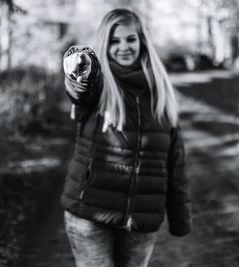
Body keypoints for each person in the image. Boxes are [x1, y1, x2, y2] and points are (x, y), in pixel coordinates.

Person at [61, 8, 192, 267]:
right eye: (114, 40)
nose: (124, 47)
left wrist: (180, 217)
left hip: (140, 221)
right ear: (104, 44)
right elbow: (79, 89)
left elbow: (175, 163)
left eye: (130, 39)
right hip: (90, 213)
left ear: (141, 41)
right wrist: (79, 64)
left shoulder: (162, 92)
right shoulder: (97, 84)